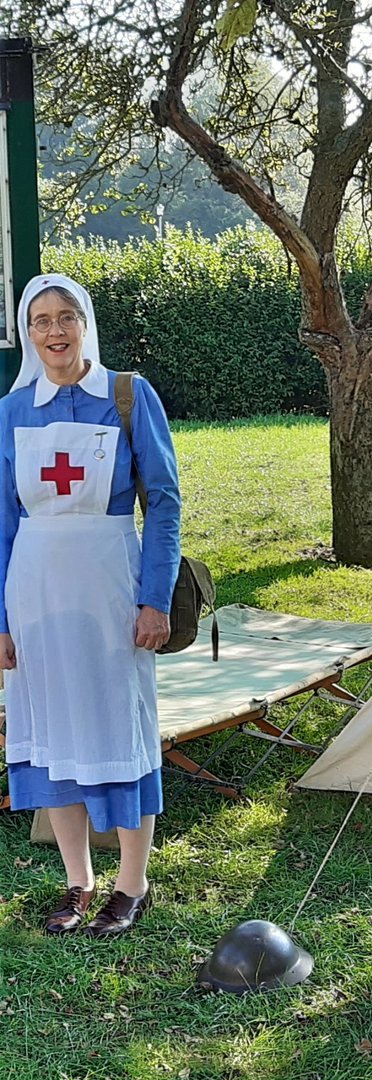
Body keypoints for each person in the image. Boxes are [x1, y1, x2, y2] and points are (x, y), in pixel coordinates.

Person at [1, 274, 181, 937]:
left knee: (119, 724)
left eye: (66, 316)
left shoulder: (128, 396)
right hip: (34, 590)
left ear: (86, 323)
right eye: (41, 320)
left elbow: (162, 502)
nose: (54, 331)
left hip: (110, 584)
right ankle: (78, 880)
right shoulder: (11, 412)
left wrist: (154, 599)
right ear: (28, 333)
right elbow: (1, 522)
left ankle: (132, 882)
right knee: (55, 728)